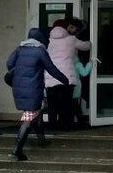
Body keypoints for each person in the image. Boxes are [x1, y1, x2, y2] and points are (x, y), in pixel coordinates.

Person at [5, 27, 69, 161]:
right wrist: (65, 80)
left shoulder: (19, 49)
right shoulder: (40, 51)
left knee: (36, 112)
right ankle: (17, 150)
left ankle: (42, 140)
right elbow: (51, 68)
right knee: (29, 117)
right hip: (33, 88)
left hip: (19, 86)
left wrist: (21, 73)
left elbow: (9, 64)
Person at [44, 19, 90, 131]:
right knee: (67, 102)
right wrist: (90, 41)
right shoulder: (71, 39)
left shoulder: (49, 40)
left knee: (52, 103)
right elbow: (86, 46)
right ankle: (66, 125)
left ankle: (52, 125)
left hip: (51, 75)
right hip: (66, 76)